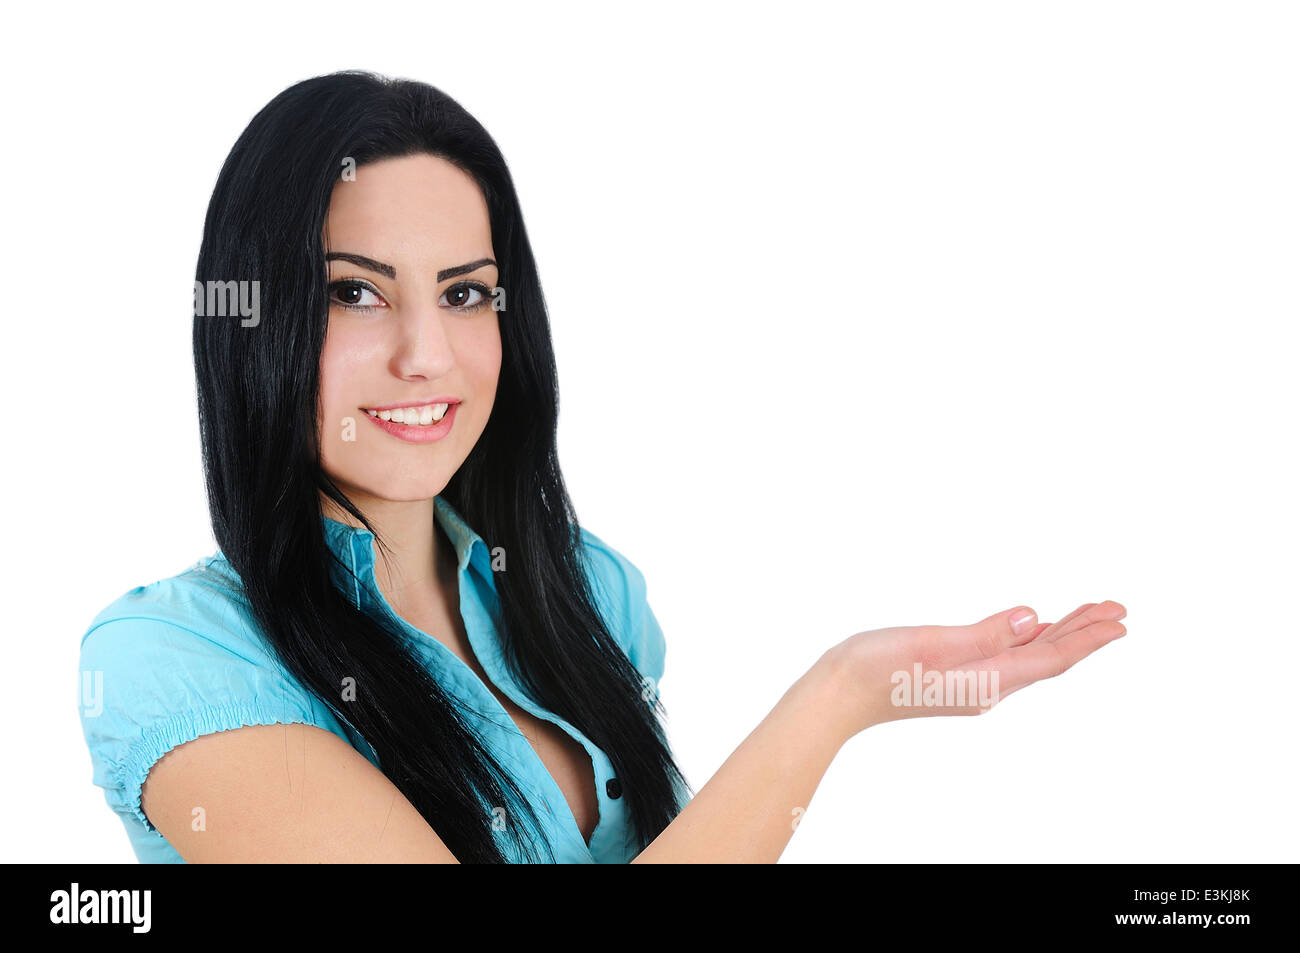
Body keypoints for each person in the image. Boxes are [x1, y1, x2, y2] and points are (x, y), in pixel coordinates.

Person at [77, 71, 1127, 864]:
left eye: (463, 292)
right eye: (356, 292)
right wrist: (839, 697)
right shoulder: (174, 658)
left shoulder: (585, 587)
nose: (424, 355)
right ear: (250, 320)